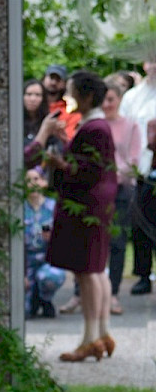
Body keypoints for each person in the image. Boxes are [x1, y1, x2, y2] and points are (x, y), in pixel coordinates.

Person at [27, 71, 118, 362]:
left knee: (87, 272)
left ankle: (90, 338)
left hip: (86, 206)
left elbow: (88, 169)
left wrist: (59, 163)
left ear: (87, 95)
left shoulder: (95, 128)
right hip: (95, 207)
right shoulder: (96, 126)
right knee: (95, 270)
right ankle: (100, 333)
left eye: (72, 91)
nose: (68, 97)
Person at [102, 79, 142, 313]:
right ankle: (82, 293)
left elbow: (134, 159)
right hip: (97, 189)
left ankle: (114, 293)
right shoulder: (95, 124)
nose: (107, 104)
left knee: (117, 242)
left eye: (111, 99)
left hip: (120, 189)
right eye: (104, 99)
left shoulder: (130, 126)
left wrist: (115, 175)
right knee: (92, 239)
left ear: (119, 100)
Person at [120, 60, 156, 295]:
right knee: (141, 225)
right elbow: (124, 130)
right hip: (141, 169)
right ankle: (143, 275)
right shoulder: (133, 97)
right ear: (145, 64)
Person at [23, 168, 65, 318]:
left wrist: (53, 238)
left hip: (46, 259)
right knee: (25, 313)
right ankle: (32, 299)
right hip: (26, 262)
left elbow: (63, 239)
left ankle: (45, 298)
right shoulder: (19, 209)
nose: (32, 184)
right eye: (28, 180)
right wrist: (21, 274)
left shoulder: (53, 207)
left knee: (52, 276)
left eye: (36, 179)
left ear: (44, 182)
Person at [23, 78, 62, 173]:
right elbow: (25, 157)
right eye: (29, 94)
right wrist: (45, 131)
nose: (32, 99)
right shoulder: (16, 123)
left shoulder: (49, 121)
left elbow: (58, 151)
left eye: (37, 95)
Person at [42, 64, 80, 138]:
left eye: (58, 79)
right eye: (51, 78)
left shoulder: (70, 111)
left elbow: (70, 138)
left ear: (64, 84)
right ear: (44, 79)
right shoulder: (33, 105)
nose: (53, 82)